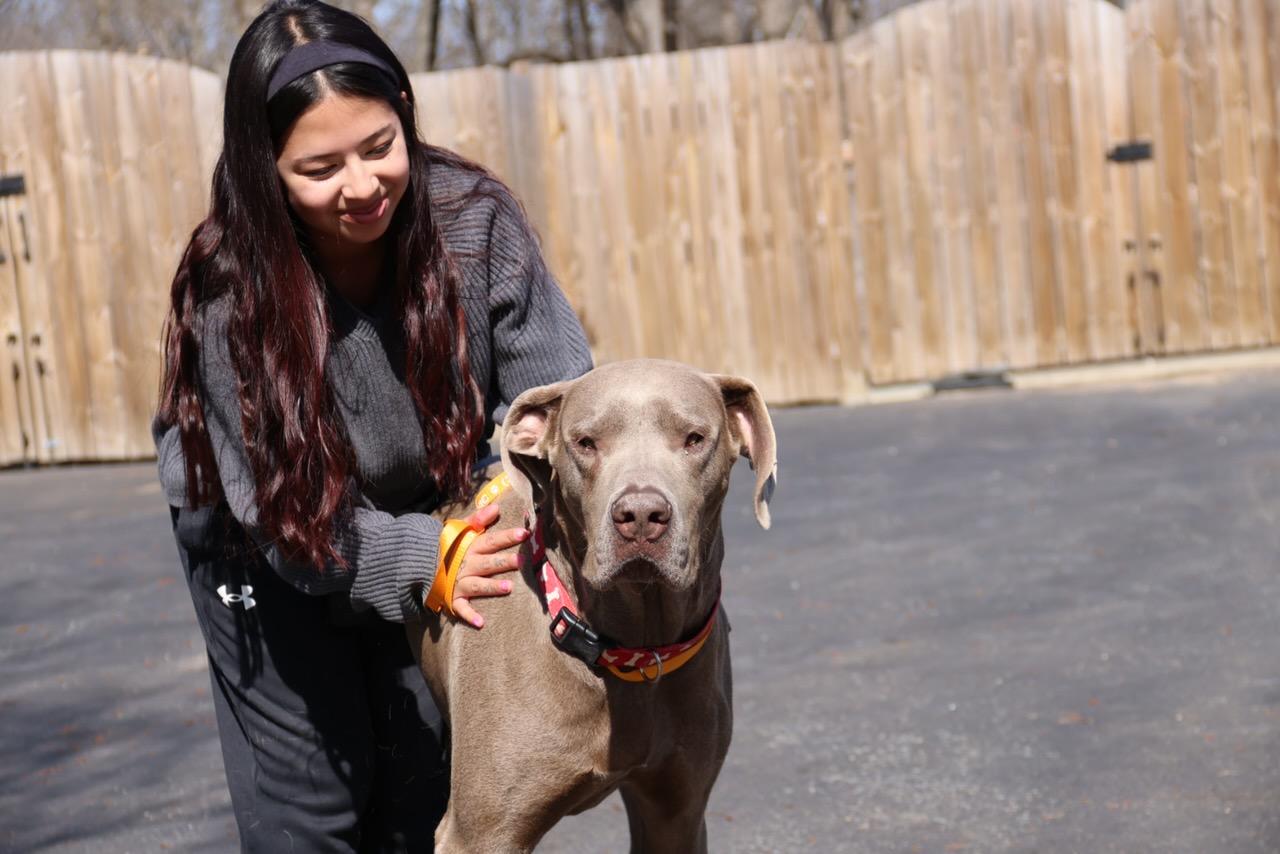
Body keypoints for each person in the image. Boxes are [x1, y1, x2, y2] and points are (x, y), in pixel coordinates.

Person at [151, 1, 592, 850]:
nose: (361, 185)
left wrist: (491, 507)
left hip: (440, 512)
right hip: (264, 535)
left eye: (380, 146)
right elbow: (288, 520)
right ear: (264, 168)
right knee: (315, 804)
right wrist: (422, 558)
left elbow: (552, 403)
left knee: (424, 786)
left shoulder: (474, 221)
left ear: (405, 114)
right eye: (319, 168)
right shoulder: (230, 289)